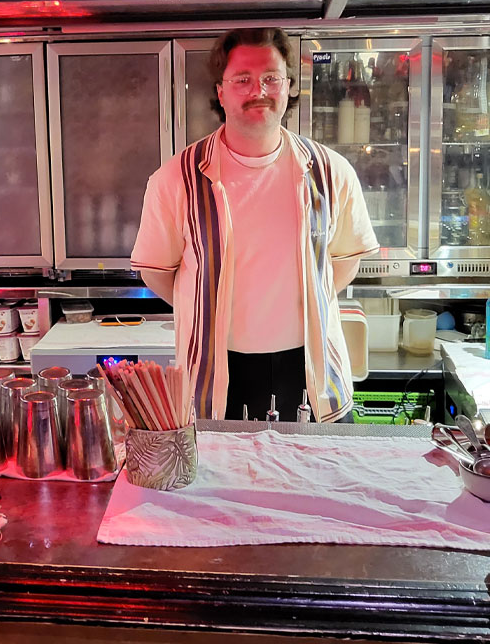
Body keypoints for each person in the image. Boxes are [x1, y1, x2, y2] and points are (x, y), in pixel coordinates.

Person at [131, 28, 378, 423]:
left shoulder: (331, 173)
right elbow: (157, 273)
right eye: (242, 79)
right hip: (216, 375)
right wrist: (209, 309)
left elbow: (345, 263)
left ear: (289, 86)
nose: (258, 90)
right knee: (216, 464)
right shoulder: (176, 179)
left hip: (310, 371)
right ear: (221, 91)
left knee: (319, 465)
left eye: (271, 78)